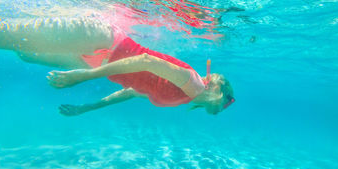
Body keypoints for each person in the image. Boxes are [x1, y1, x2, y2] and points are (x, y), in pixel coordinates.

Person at [47, 36, 235, 116]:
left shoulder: (187, 95)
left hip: (104, 58)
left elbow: (131, 92)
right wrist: (85, 76)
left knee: (30, 52)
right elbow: (146, 61)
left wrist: (86, 108)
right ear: (217, 90)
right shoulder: (193, 85)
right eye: (227, 101)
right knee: (29, 45)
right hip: (109, 48)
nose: (223, 108)